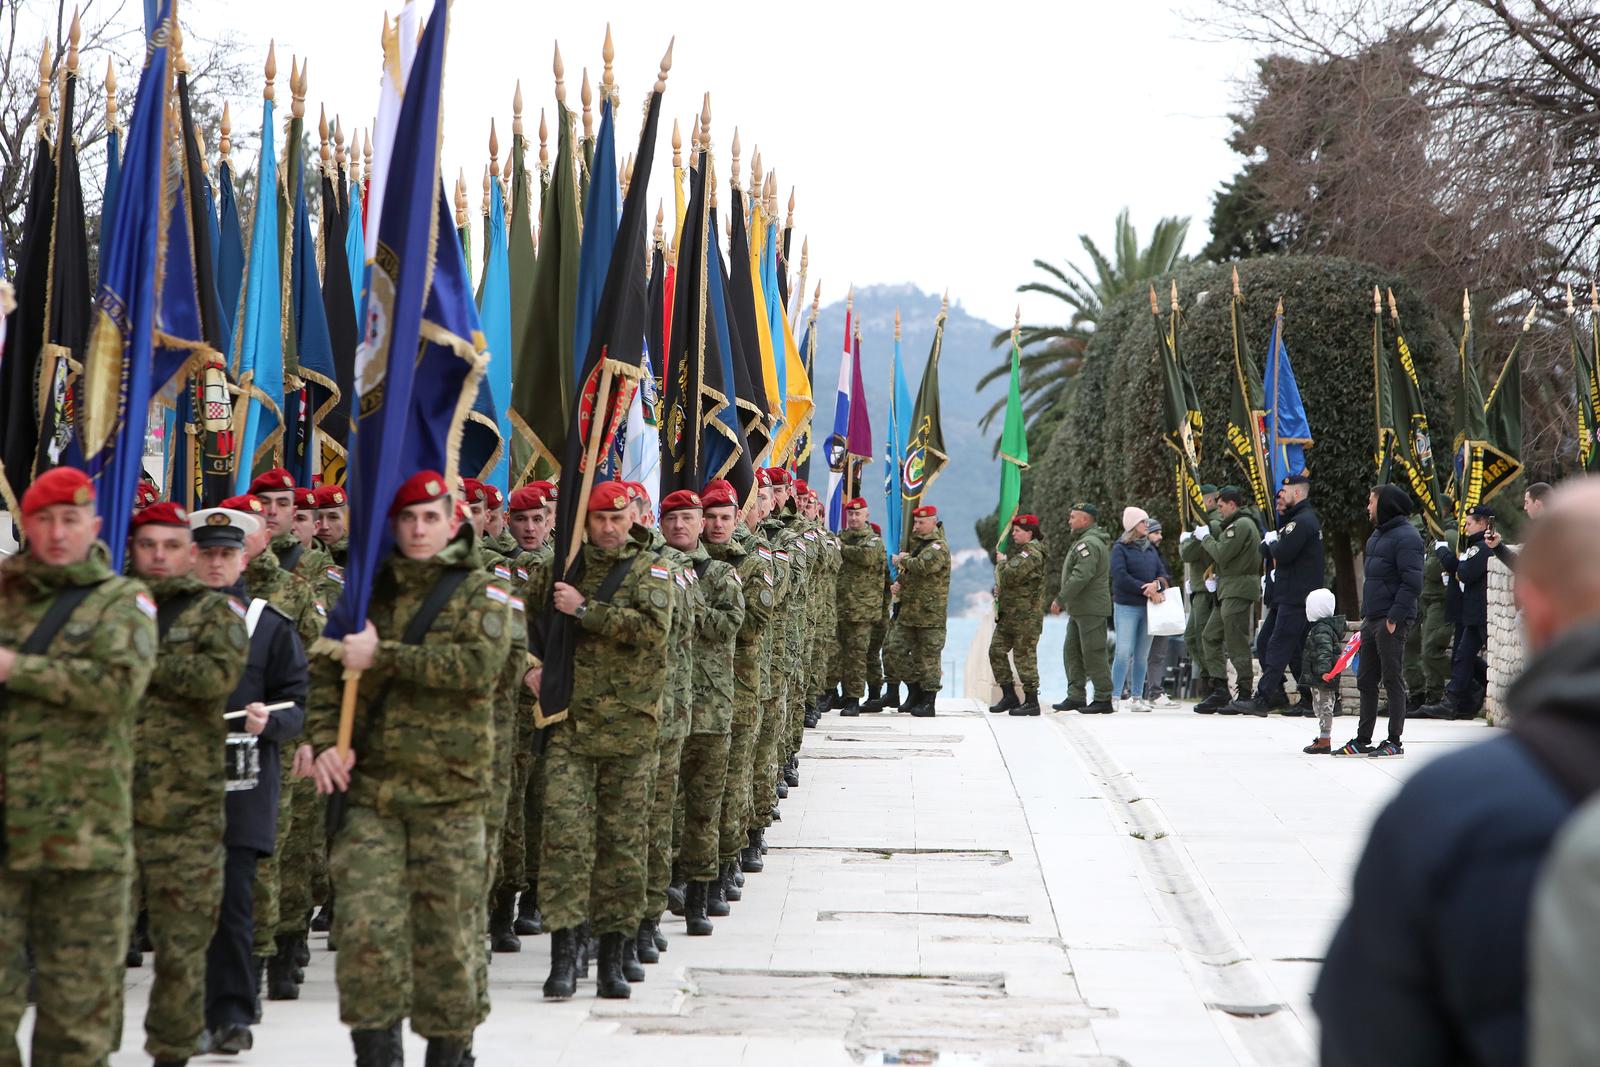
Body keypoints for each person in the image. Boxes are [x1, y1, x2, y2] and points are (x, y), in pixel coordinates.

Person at [1316, 477, 1600, 1066]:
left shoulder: (1453, 806)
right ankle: (1366, 734)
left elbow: (1365, 1026)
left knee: (1394, 682)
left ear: (1534, 608)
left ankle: (1389, 736)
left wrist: (1396, 614)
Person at [308, 471, 510, 1064]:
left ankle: (450, 1050)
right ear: (393, 525)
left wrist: (385, 656)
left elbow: (479, 667)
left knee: (448, 936)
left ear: (452, 523)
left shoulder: (484, 591)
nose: (419, 529)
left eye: (430, 518)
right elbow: (325, 675)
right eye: (408, 518)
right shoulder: (365, 593)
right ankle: (377, 1053)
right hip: (371, 794)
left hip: (451, 796)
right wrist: (323, 742)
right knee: (365, 933)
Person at [0, 467, 158, 1067]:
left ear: (93, 526)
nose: (58, 532)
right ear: (27, 525)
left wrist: (19, 669)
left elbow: (118, 686)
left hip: (84, 841)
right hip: (6, 833)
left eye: (71, 519)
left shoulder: (122, 602)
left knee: (76, 1021)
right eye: (45, 520)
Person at [530, 480, 672, 1002]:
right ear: (584, 522)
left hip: (630, 733)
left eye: (617, 518)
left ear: (631, 518)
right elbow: (522, 624)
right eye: (599, 519)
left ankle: (614, 955)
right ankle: (564, 957)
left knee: (622, 846)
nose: (609, 528)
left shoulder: (651, 569)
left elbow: (653, 630)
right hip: (568, 728)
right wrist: (529, 668)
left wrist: (584, 609)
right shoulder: (560, 568)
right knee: (565, 843)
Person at [128, 502, 249, 1066]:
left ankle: (173, 1050)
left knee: (182, 945)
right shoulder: (110, 607)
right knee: (90, 947)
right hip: (107, 799)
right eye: (147, 544)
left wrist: (136, 659)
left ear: (189, 553)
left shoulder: (215, 613)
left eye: (171, 546)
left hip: (186, 807)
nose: (159, 556)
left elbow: (214, 677)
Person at [190, 505, 308, 1054]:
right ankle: (186, 1011)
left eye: (226, 554)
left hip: (243, 779)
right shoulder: (164, 621)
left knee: (235, 902)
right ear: (192, 558)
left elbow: (298, 702)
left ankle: (233, 1014)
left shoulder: (267, 624)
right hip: (175, 784)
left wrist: (272, 722)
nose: (216, 563)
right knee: (182, 905)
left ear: (243, 560)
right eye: (207, 553)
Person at [1334, 485, 1424, 757]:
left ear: (1385, 505)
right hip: (1371, 619)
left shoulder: (1408, 537)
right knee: (1365, 678)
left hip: (1391, 620)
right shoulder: (1376, 535)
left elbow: (1412, 583)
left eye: (1371, 502)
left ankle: (1394, 740)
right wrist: (1366, 616)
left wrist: (1394, 617)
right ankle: (1363, 739)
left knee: (1392, 678)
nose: (1368, 507)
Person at [1231, 473, 1324, 716]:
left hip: (1296, 596)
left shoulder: (1301, 521)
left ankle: (1264, 697)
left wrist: (1273, 543)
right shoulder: (1294, 520)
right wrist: (1272, 543)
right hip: (1287, 595)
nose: (1280, 496)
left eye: (1285, 492)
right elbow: (1268, 550)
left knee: (1278, 646)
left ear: (1298, 493)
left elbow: (1281, 553)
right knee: (1276, 644)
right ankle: (1297, 697)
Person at [1415, 504, 1495, 720]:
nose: (1466, 528)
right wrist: (1449, 558)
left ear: (1482, 523)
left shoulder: (1482, 547)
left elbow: (1465, 573)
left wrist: (1444, 553)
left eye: (1469, 524)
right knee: (1462, 657)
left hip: (1480, 613)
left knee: (1476, 658)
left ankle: (1462, 699)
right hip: (1472, 613)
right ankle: (1452, 702)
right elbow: (1460, 569)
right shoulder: (1473, 546)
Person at [1196, 487, 1263, 715]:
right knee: (1210, 635)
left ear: (1232, 505)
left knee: (1236, 640)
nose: (1220, 510)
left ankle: (1244, 692)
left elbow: (1222, 553)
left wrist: (1205, 538)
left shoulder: (1241, 525)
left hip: (1238, 589)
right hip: (1229, 588)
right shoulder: (1236, 525)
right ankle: (1220, 688)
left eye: (1221, 506)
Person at [889, 505, 951, 718]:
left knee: (929, 658)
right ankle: (914, 690)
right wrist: (899, 583)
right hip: (909, 613)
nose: (916, 526)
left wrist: (902, 559)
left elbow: (923, 566)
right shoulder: (917, 544)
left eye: (921, 522)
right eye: (915, 522)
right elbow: (911, 574)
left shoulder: (938, 546)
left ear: (933, 522)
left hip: (930, 615)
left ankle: (928, 701)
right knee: (894, 650)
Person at [1051, 502, 1114, 713]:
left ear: (1085, 520)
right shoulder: (1084, 541)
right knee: (1072, 653)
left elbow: (1081, 575)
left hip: (1091, 609)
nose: (1069, 521)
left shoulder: (1089, 544)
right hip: (1079, 609)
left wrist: (1060, 599)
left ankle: (1103, 698)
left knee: (1094, 653)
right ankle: (1076, 696)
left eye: (1073, 517)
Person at [1109, 507, 1171, 713]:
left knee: (1142, 654)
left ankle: (1137, 697)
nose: (1147, 525)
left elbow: (1163, 574)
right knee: (1123, 651)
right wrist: (1146, 589)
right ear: (1133, 525)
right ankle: (1115, 695)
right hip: (1127, 606)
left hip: (1149, 608)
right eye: (1144, 522)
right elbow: (1120, 576)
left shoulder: (1150, 549)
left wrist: (1157, 585)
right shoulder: (1120, 548)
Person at [988, 513, 1048, 715]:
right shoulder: (1022, 552)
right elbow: (1014, 582)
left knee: (1024, 658)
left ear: (1029, 533)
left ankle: (1032, 702)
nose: (1013, 534)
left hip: (1026, 617)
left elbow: (1010, 575)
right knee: (996, 651)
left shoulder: (1032, 553)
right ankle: (1009, 695)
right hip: (1010, 616)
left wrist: (1002, 563)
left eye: (1017, 531)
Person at [834, 498, 885, 715]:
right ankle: (837, 694)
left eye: (858, 514)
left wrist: (841, 548)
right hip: (840, 607)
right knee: (838, 654)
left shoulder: (873, 540)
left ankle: (853, 699)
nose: (854, 518)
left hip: (863, 610)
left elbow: (866, 556)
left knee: (857, 655)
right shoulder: (840, 538)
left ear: (866, 516)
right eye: (851, 514)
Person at [1180, 486, 1228, 711]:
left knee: (1202, 637)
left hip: (1207, 589)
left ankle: (1214, 685)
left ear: (1208, 502)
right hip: (1200, 587)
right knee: (1192, 637)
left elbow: (1187, 553)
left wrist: (1188, 540)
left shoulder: (1213, 524)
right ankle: (1209, 681)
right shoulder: (1204, 525)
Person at [1298, 589, 1346, 755]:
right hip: (1319, 675)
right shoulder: (1322, 627)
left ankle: (1325, 740)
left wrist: (1325, 671)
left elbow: (1324, 651)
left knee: (1324, 707)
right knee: (1319, 707)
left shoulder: (1322, 629)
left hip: (1323, 677)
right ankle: (1323, 738)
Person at [1141, 519, 1180, 709]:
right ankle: (1136, 692)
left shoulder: (1157, 554)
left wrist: (1159, 585)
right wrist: (1154, 589)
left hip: (1159, 608)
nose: (1160, 537)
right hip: (1144, 607)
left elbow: (1165, 576)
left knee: (1158, 652)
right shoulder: (1139, 553)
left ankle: (1154, 692)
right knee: (1140, 652)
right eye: (1155, 533)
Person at [312, 484, 349, 566]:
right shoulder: (296, 555)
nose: (324, 526)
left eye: (333, 517)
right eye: (318, 517)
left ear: (344, 519)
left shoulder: (358, 559)